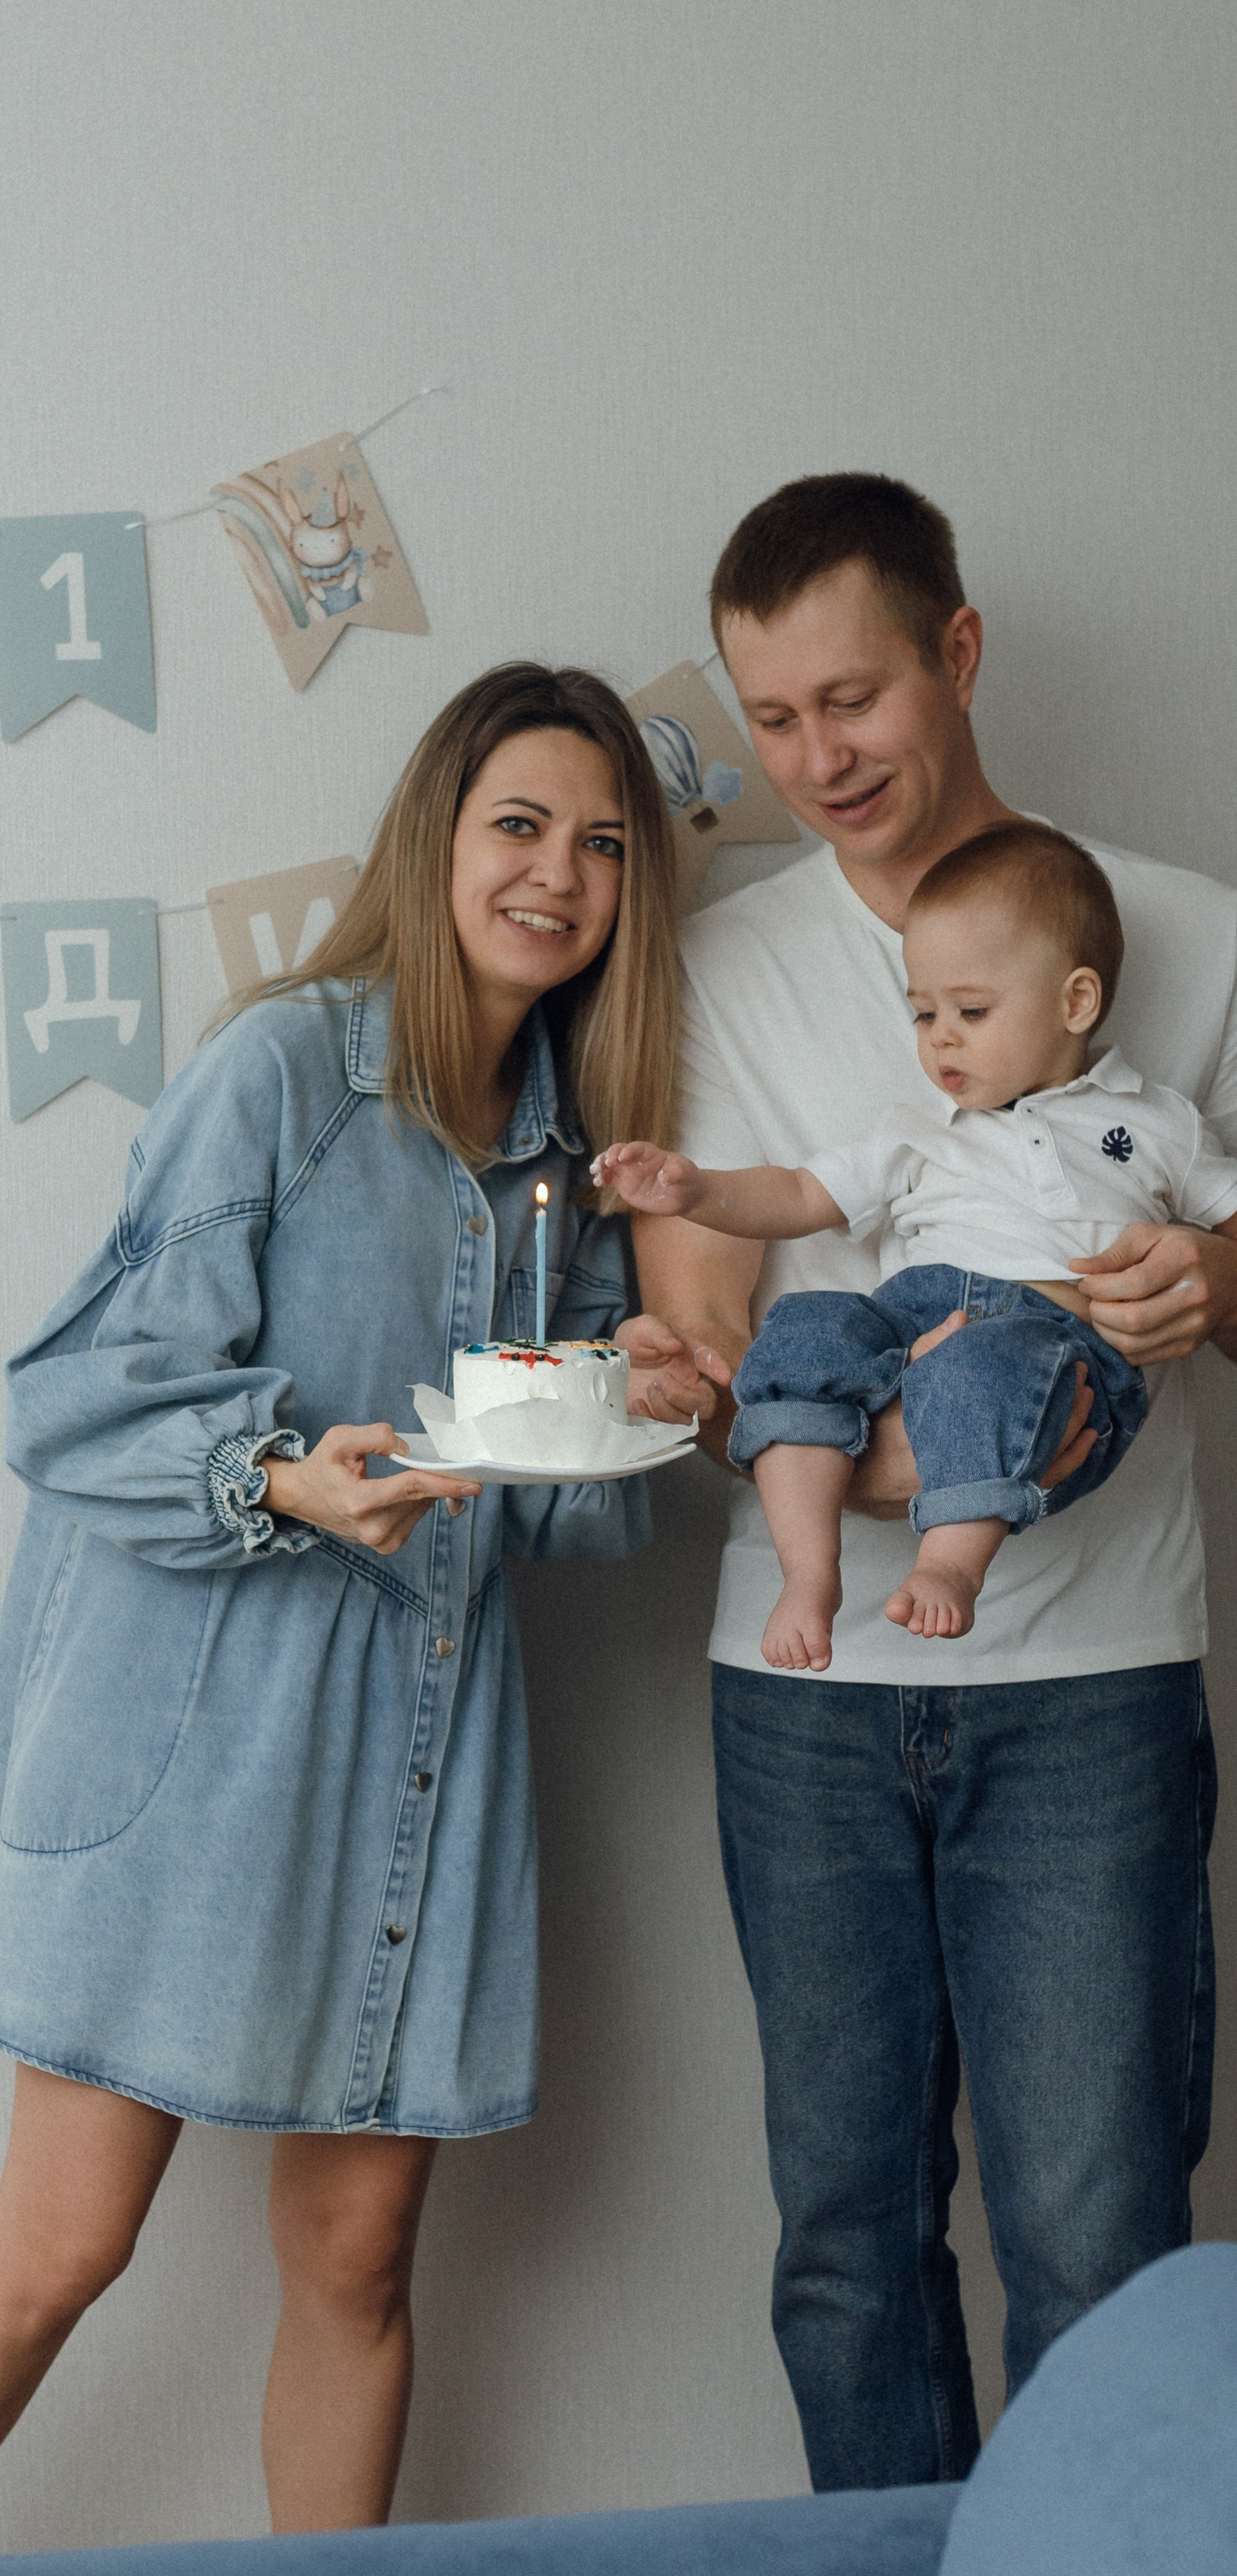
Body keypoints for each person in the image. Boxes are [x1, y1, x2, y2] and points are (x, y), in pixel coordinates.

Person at [0, 663, 686, 2565]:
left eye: (603, 844)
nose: (558, 874)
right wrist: (280, 1475)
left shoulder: (571, 1162)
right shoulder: (289, 1071)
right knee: (63, 2247)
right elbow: (69, 1397)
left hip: (420, 1753)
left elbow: (553, 1528)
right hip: (200, 1737)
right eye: (521, 826)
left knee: (363, 2258)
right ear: (439, 839)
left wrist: (652, 1406)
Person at [622, 474, 1237, 2491]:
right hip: (800, 1696)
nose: (817, 760)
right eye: (771, 717)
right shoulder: (722, 964)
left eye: (852, 698)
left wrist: (1207, 1279)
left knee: (1100, 2247)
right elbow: (707, 1317)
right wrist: (836, 1445)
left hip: (1091, 1696)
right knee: (845, 2251)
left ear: (955, 656)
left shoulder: (1187, 938)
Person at [599, 822, 1237, 1664]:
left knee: (983, 1367)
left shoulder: (1158, 1125)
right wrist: (696, 1188)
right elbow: (795, 1193)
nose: (939, 1036)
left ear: (1075, 1001)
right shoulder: (920, 1132)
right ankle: (809, 1569)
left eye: (970, 1011)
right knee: (806, 1327)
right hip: (910, 1319)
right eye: (923, 1012)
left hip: (1055, 1346)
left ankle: (950, 1566)